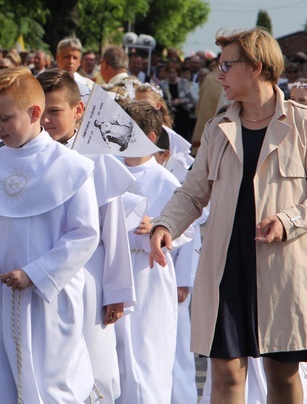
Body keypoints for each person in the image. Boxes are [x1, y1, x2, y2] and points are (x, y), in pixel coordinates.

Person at [150, 27, 307, 403]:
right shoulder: (216, 128)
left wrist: (287, 220)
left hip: (285, 267)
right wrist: (165, 224)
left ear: (256, 68)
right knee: (224, 373)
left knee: (283, 374)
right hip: (226, 265)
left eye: (226, 65)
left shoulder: (305, 122)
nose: (218, 74)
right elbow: (193, 192)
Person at [0, 67, 100, 403]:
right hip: (2, 295)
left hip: (50, 297)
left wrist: (35, 273)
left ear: (35, 113)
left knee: (53, 386)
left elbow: (84, 233)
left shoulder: (70, 167)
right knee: (7, 382)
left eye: (6, 118)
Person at [36, 69, 135, 401]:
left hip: (87, 276)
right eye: (40, 111)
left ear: (78, 110)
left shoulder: (96, 157)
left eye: (55, 111)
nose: (46, 120)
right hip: (38, 274)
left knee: (96, 361)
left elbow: (114, 227)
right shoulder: (24, 155)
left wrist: (116, 291)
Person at [113, 101, 187, 403]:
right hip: (115, 266)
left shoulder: (164, 179)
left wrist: (158, 225)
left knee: (147, 347)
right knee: (117, 348)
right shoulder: (110, 170)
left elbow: (188, 227)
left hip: (148, 272)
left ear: (151, 138)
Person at [56, 37, 94, 102]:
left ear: (80, 61)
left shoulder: (89, 85)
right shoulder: (43, 82)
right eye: (67, 57)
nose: (71, 61)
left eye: (75, 58)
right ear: (57, 58)